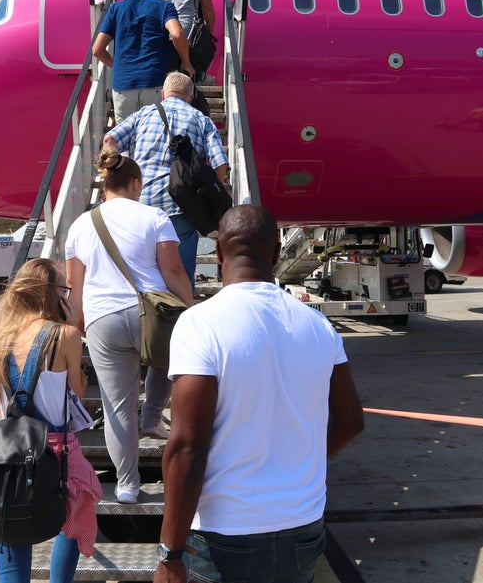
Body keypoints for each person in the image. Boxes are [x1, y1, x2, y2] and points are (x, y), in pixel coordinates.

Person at [153, 205, 365, 583]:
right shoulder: (318, 325)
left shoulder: (200, 323)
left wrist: (170, 552)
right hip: (302, 525)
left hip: (225, 531)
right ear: (277, 252)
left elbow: (187, 446)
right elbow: (351, 422)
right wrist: (300, 463)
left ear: (220, 252)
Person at [65, 148, 194, 504]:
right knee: (165, 360)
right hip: (152, 313)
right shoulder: (155, 217)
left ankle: (127, 485)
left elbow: (74, 283)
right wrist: (190, 308)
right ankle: (152, 416)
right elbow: (172, 271)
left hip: (103, 317)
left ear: (105, 185)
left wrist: (78, 319)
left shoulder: (80, 225)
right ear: (136, 184)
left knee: (117, 407)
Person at [0, 258, 102, 583]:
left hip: (7, 452)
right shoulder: (65, 335)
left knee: (10, 526)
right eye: (64, 290)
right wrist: (74, 327)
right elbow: (77, 391)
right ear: (51, 293)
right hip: (55, 449)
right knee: (76, 515)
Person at [103, 71, 228, 289]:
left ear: (163, 94)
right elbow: (220, 165)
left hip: (143, 206)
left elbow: (109, 139)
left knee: (141, 278)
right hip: (182, 208)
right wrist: (210, 196)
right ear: (191, 97)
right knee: (180, 277)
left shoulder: (143, 114)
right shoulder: (202, 120)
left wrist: (118, 173)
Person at [92, 0, 194, 122]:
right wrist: (187, 63)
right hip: (154, 81)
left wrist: (118, 65)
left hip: (123, 84)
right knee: (154, 132)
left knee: (126, 134)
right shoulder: (165, 7)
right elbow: (177, 34)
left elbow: (97, 50)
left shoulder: (116, 8)